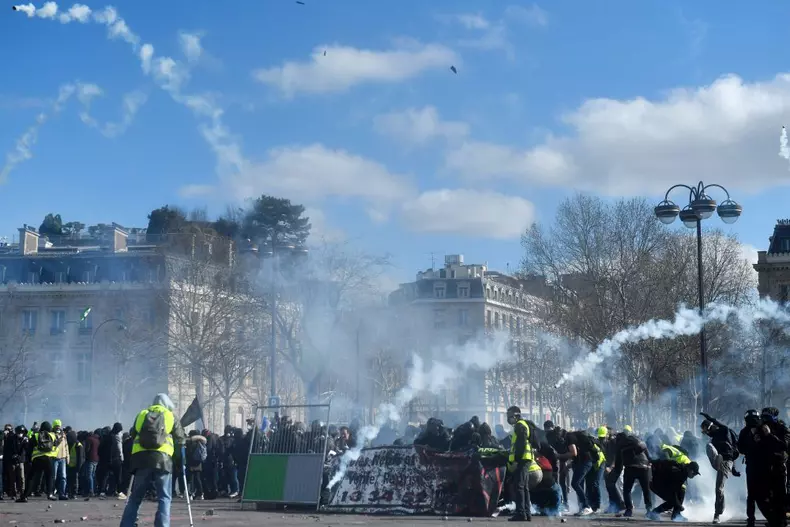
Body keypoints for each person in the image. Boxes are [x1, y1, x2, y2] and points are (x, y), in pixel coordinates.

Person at [120, 393, 186, 527]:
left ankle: (127, 524)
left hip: (141, 460)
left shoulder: (142, 414)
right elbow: (180, 440)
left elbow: (133, 434)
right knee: (164, 498)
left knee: (135, 497)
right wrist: (180, 462)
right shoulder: (170, 415)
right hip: (163, 460)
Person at [701, 412, 741, 524]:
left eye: (706, 430)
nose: (706, 433)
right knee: (709, 446)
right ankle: (717, 462)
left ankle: (717, 514)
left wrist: (710, 418)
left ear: (710, 427)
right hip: (720, 461)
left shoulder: (724, 431)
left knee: (719, 488)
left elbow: (732, 453)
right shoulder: (713, 440)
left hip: (727, 462)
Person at [613, 427, 652, 518]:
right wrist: (649, 461)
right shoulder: (636, 440)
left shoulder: (620, 445)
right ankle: (649, 510)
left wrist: (615, 474)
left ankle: (629, 510)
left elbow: (619, 463)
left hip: (630, 468)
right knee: (646, 489)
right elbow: (645, 449)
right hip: (644, 467)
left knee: (627, 490)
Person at [506, 406, 535, 522]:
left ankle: (521, 513)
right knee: (524, 487)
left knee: (519, 486)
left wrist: (517, 460)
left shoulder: (520, 425)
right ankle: (527, 513)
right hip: (525, 459)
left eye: (510, 416)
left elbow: (521, 444)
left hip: (522, 459)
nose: (508, 419)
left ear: (516, 415)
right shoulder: (523, 425)